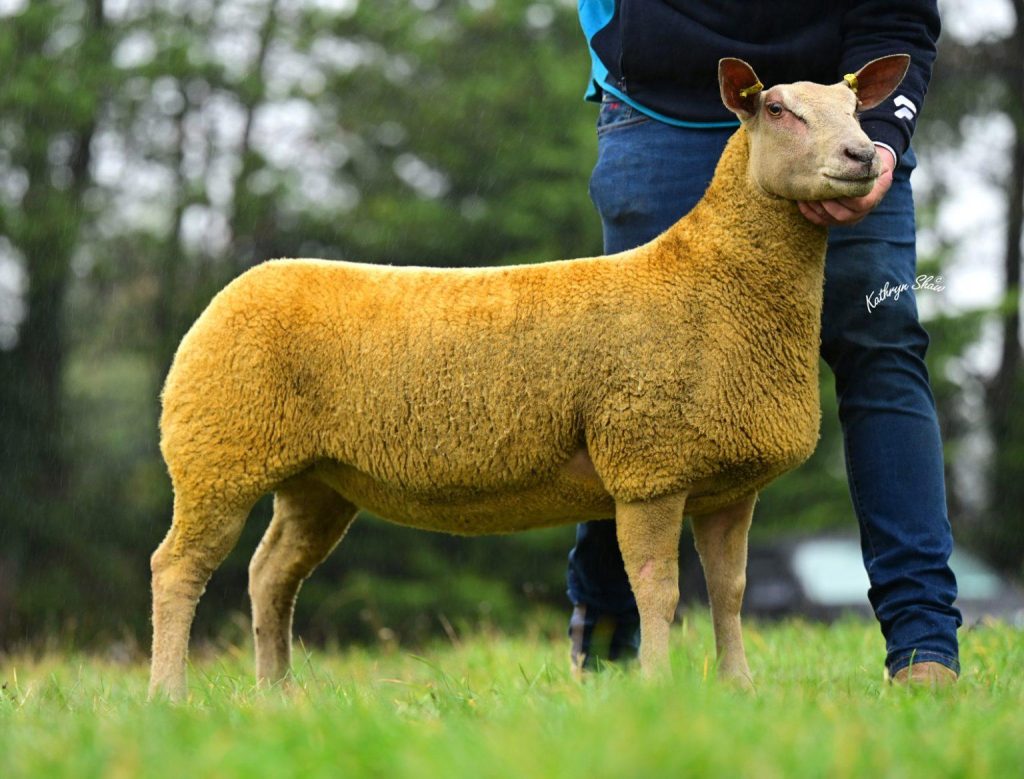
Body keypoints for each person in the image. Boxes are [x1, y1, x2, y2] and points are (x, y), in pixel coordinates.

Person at [567, 1, 962, 683]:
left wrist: (884, 135)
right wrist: (621, 44)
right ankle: (605, 641)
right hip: (664, 114)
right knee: (630, 390)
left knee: (881, 348)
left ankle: (925, 649)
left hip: (846, 124)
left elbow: (899, 14)